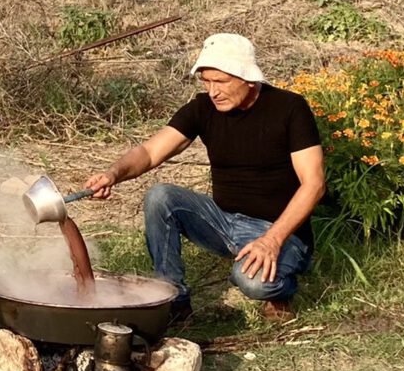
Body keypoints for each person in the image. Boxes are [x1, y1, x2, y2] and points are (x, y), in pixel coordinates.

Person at [82, 33, 325, 323]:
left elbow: (314, 184)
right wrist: (113, 173)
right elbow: (149, 152)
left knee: (254, 282)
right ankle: (174, 300)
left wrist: (271, 240)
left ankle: (281, 292)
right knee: (161, 197)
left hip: (279, 229)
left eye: (221, 82)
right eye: (206, 82)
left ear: (248, 78)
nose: (213, 91)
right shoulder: (202, 108)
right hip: (222, 220)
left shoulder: (290, 108)